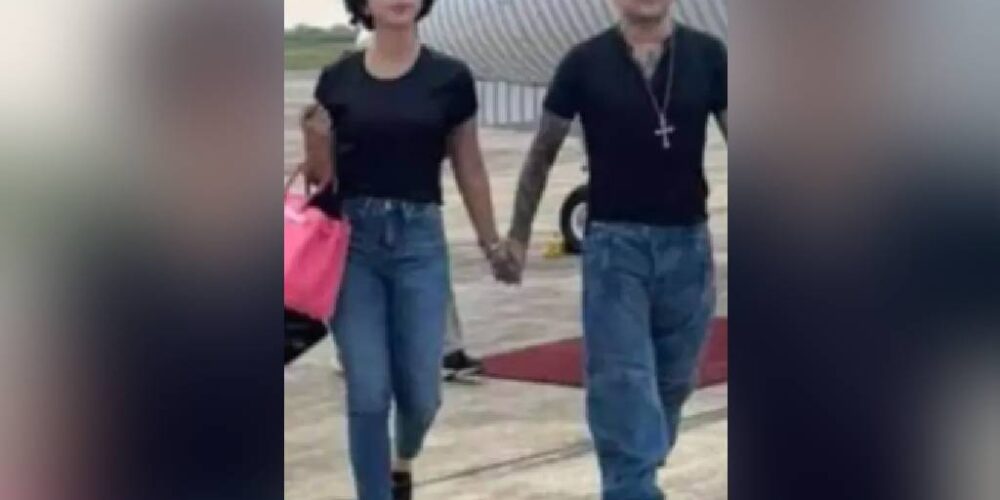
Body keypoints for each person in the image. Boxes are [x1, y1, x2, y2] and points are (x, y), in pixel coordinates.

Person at [501, 1, 727, 498]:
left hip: (687, 245)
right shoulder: (584, 62)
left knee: (674, 382)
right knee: (621, 382)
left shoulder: (708, 56)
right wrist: (518, 234)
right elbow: (542, 151)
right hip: (614, 247)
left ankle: (636, 472)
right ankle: (633, 485)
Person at [304, 1, 517, 499]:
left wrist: (491, 241)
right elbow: (319, 179)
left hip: (420, 242)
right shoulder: (337, 79)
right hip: (354, 244)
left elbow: (469, 165)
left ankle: (402, 461)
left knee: (422, 395)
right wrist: (314, 143)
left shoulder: (450, 77)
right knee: (368, 390)